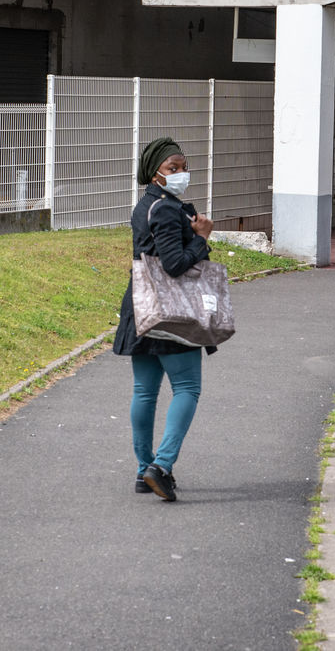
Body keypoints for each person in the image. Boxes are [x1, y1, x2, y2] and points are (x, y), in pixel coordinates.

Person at [113, 136, 216, 502]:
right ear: (154, 172)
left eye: (184, 167)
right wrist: (201, 238)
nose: (181, 174)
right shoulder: (168, 210)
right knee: (187, 388)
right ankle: (161, 465)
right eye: (173, 168)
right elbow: (173, 265)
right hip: (172, 312)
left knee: (145, 391)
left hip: (141, 305)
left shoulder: (145, 205)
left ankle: (144, 470)